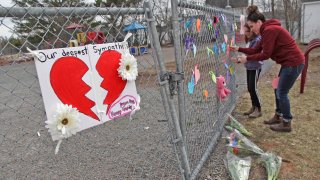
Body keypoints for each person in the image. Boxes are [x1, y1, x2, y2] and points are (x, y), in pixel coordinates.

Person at [230, 5, 305, 132]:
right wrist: (239, 49)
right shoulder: (266, 31)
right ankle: (278, 115)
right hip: (288, 63)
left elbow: (266, 54)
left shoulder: (269, 31)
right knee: (277, 89)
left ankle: (286, 122)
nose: (252, 30)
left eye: (252, 26)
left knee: (282, 92)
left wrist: (247, 59)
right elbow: (256, 49)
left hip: (293, 63)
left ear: (259, 22)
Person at [242, 23, 264, 118]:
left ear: (251, 30)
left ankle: (258, 109)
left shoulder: (257, 40)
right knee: (250, 88)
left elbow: (254, 54)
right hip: (249, 66)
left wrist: (243, 58)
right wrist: (240, 59)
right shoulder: (250, 40)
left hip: (255, 67)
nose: (245, 33)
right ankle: (253, 106)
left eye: (247, 31)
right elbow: (248, 53)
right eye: (245, 31)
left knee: (253, 88)